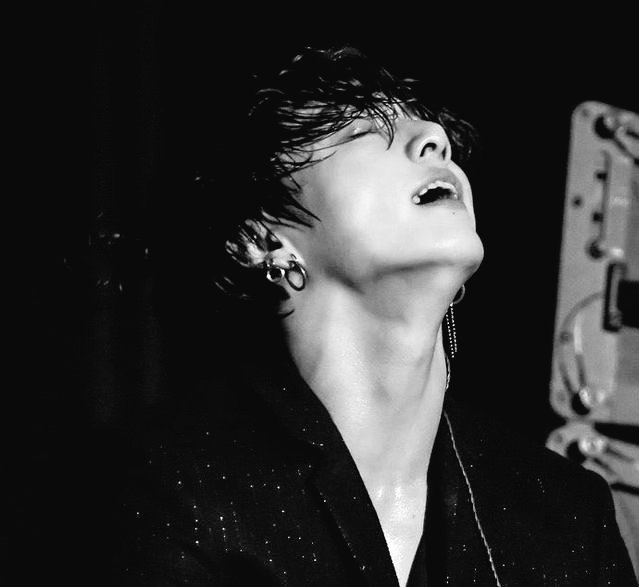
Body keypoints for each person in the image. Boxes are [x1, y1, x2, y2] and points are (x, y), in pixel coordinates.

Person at [110, 45, 637, 585]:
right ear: (260, 241)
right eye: (361, 131)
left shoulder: (569, 512)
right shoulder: (167, 486)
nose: (435, 136)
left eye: (428, 128)